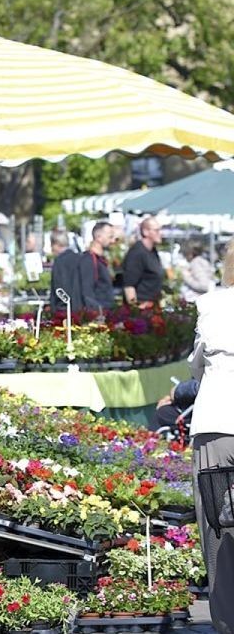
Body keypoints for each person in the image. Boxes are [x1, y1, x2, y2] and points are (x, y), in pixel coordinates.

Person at [190, 244, 234, 632]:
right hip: (218, 419)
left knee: (219, 532)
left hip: (218, 422)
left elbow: (197, 363)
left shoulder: (212, 304)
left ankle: (226, 623)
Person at [122, 217, 166, 307]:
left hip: (153, 306)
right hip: (142, 307)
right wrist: (135, 310)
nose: (161, 233)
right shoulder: (137, 253)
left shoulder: (152, 251)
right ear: (145, 232)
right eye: (156, 230)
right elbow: (129, 285)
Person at [78, 222, 115, 313]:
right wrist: (96, 311)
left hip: (106, 309)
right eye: (110, 237)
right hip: (98, 311)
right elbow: (87, 290)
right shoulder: (89, 259)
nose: (112, 241)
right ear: (98, 237)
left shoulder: (100, 259)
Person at [49, 229, 83, 313]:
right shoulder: (79, 258)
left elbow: (59, 286)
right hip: (80, 307)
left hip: (64, 308)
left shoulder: (59, 262)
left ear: (56, 244)